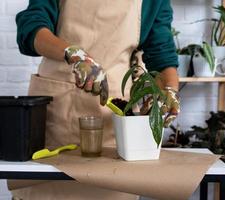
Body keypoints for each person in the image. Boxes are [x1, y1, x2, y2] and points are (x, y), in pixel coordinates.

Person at [12, 0, 180, 199]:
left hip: (113, 114)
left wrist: (169, 91)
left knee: (111, 187)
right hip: (58, 112)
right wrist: (74, 54)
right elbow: (32, 27)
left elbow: (162, 56)